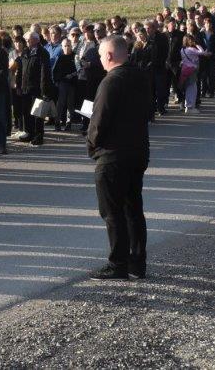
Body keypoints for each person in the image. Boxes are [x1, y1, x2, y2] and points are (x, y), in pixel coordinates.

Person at [86, 36, 151, 280]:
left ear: (109, 55)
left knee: (112, 212)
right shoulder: (141, 77)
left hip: (113, 155)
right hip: (137, 151)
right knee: (133, 209)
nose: (100, 60)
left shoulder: (110, 81)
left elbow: (99, 120)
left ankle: (118, 263)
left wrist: (92, 145)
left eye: (101, 56)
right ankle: (137, 262)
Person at [16, 31, 55, 145]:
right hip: (25, 88)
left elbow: (45, 72)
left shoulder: (42, 53)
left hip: (37, 88)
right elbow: (20, 70)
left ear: (36, 40)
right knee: (27, 112)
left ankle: (38, 136)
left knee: (38, 113)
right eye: (26, 39)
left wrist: (44, 90)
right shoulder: (25, 52)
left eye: (29, 39)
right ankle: (29, 133)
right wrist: (18, 85)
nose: (27, 41)